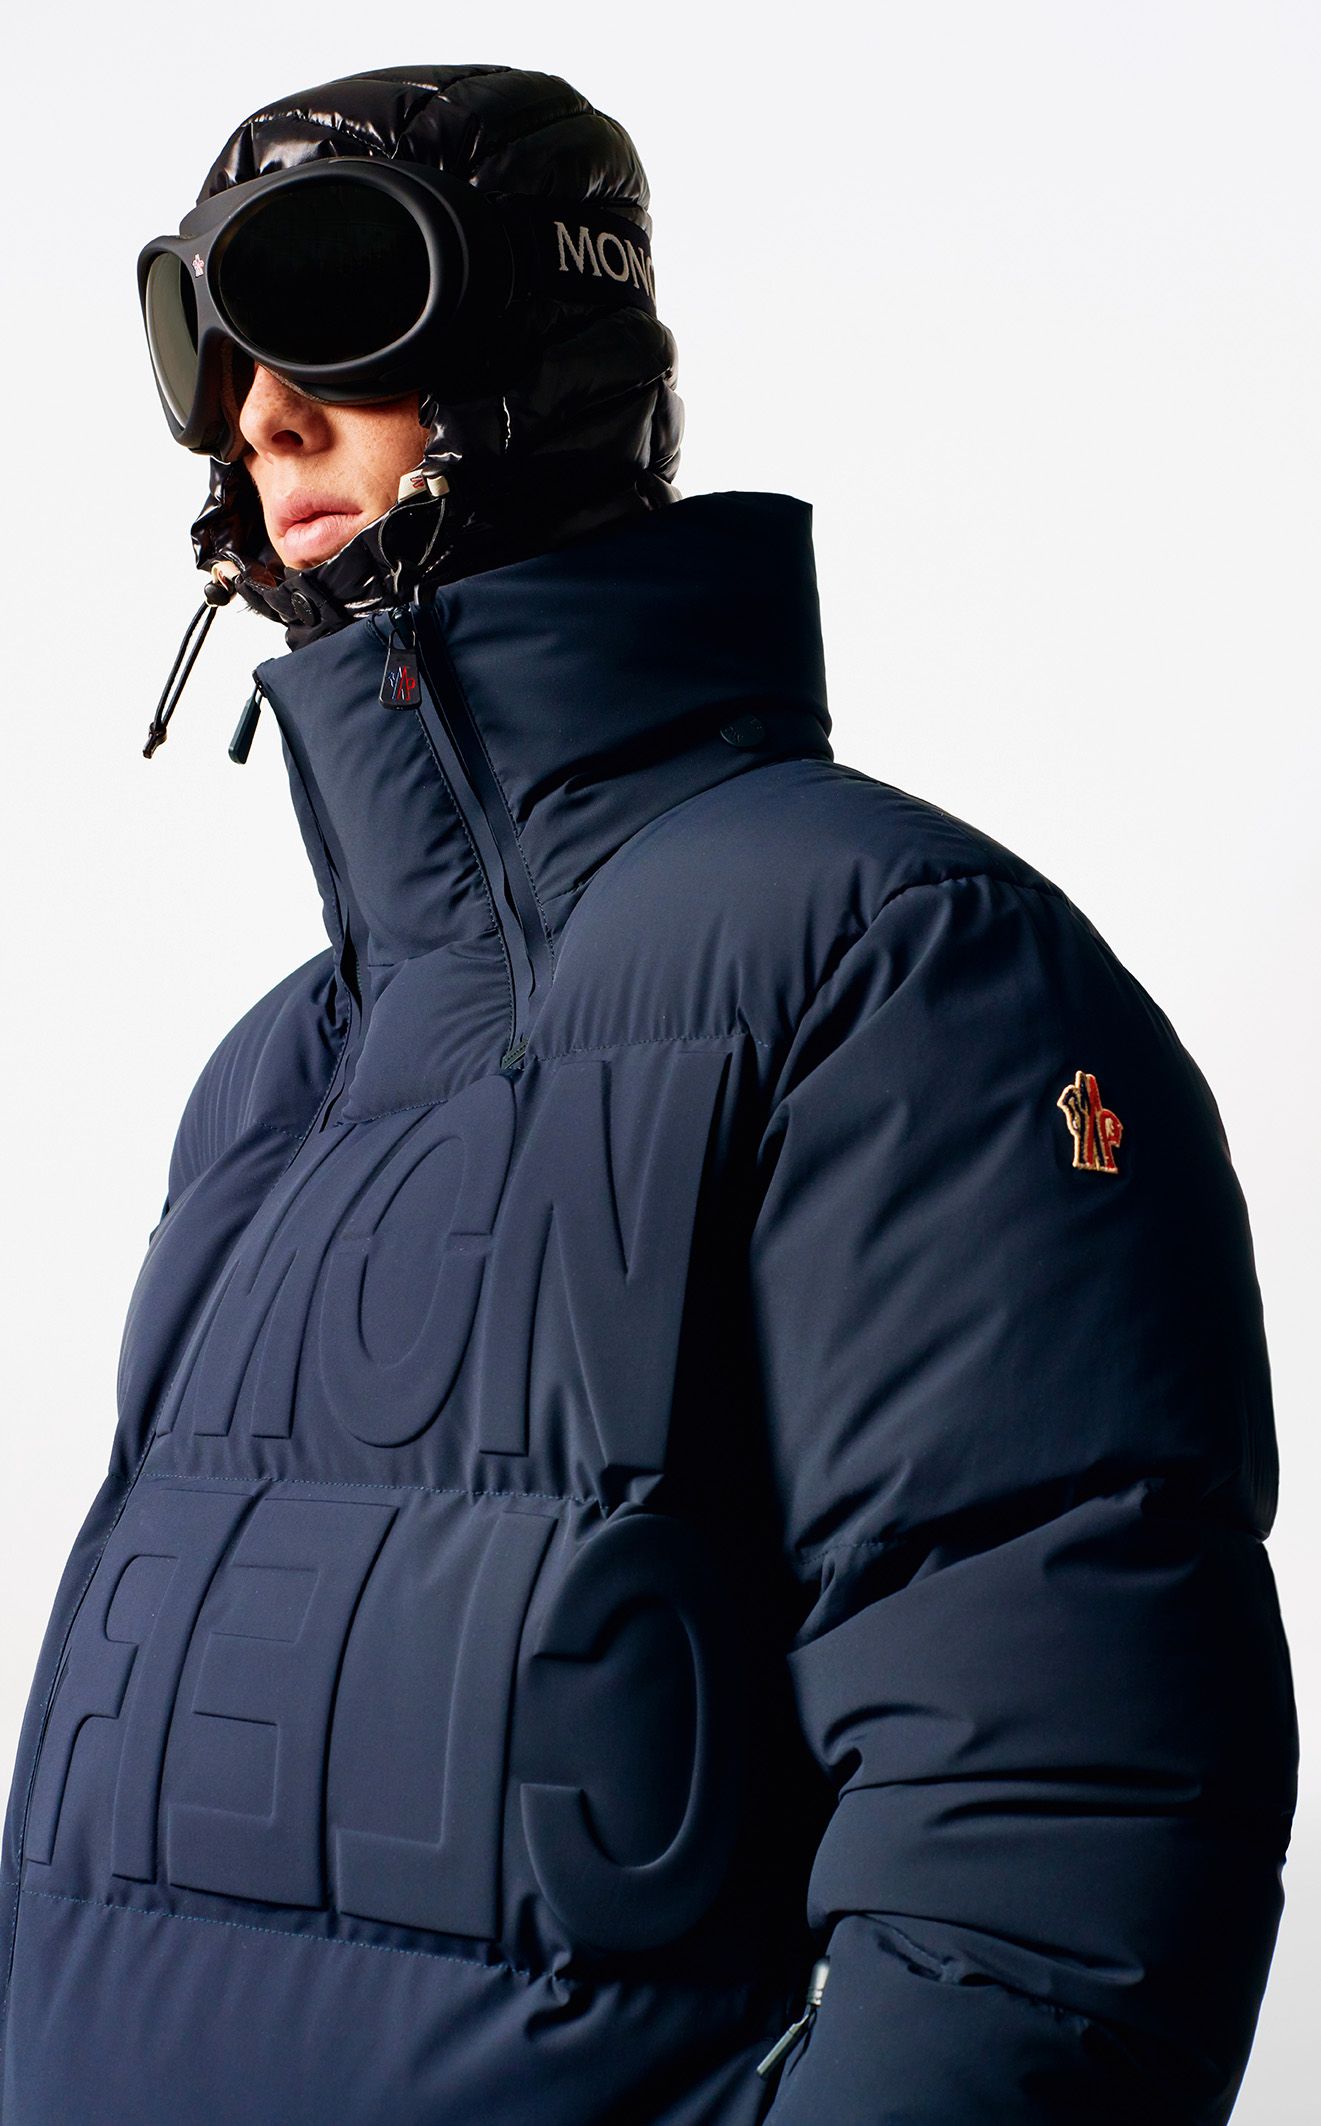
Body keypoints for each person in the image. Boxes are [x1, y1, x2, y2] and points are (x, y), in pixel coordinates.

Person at [0, 61, 1297, 2126]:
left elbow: (1047, 1871)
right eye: (204, 335)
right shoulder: (271, 1082)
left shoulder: (896, 965)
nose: (259, 412)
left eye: (327, 295)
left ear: (544, 347)